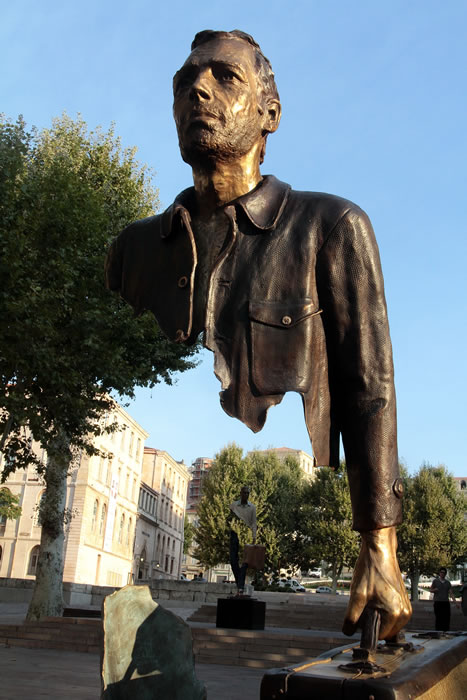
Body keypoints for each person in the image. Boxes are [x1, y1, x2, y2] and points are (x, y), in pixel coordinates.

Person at [105, 29, 411, 640]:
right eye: (185, 82)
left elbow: (368, 385)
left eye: (225, 77)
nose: (198, 89)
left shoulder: (330, 227)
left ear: (270, 114)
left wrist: (380, 542)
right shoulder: (132, 253)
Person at [228, 485, 257, 594]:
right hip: (234, 534)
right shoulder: (234, 505)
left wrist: (254, 536)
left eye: (247, 493)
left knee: (245, 562)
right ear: (240, 493)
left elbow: (254, 523)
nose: (246, 495)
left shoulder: (252, 507)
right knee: (233, 560)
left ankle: (240, 588)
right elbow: (229, 519)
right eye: (244, 492)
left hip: (246, 534)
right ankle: (240, 584)